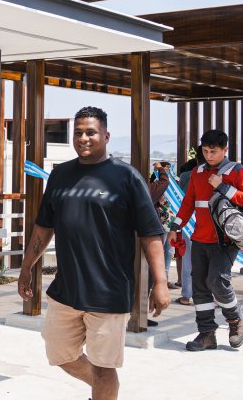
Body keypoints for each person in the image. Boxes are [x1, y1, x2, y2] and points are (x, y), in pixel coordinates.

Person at [18, 107, 168, 400]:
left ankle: (103, 390)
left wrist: (160, 282)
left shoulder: (126, 177)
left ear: (106, 136)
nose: (83, 138)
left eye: (91, 132)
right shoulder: (60, 175)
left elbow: (151, 233)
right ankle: (106, 391)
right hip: (66, 290)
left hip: (109, 293)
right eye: (78, 132)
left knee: (104, 368)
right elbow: (44, 227)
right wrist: (27, 266)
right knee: (60, 355)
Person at [167, 129, 243, 351]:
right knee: (199, 288)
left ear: (225, 150)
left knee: (217, 281)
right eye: (205, 151)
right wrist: (176, 227)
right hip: (199, 239)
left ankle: (235, 319)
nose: (209, 155)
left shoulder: (237, 171)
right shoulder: (197, 172)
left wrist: (223, 186)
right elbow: (188, 203)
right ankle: (206, 335)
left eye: (213, 151)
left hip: (225, 240)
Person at [174, 147, 201, 306]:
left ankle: (186, 295)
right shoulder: (214, 175)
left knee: (187, 259)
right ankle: (211, 295)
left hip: (187, 220)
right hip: (206, 222)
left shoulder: (185, 176)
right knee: (209, 260)